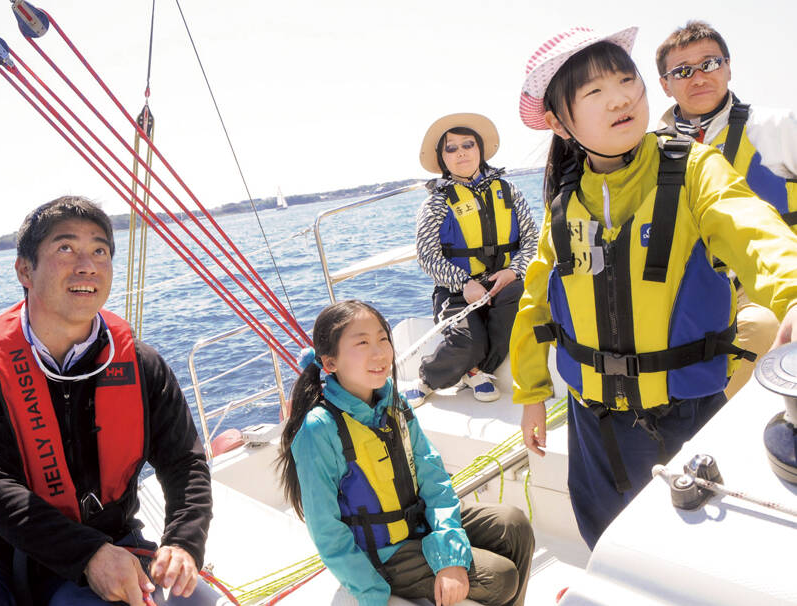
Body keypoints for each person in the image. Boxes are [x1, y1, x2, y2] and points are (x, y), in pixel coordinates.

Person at [511, 26, 797, 549]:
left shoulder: (695, 168)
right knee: (605, 536)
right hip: (592, 422)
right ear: (558, 121)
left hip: (686, 411)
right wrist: (531, 395)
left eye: (628, 80)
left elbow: (752, 228)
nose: (621, 97)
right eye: (594, 92)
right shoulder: (564, 204)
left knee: (697, 549)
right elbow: (535, 302)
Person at [0, 196, 213, 606]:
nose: (86, 264)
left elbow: (185, 462)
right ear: (24, 270)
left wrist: (182, 543)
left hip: (116, 546)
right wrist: (85, 554)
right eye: (65, 248)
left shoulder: (141, 364)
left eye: (100, 250)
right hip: (1, 558)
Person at [277, 300, 534, 606]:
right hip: (383, 553)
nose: (380, 353)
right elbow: (326, 531)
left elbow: (433, 475)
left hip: (418, 525)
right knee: (500, 577)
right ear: (330, 363)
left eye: (383, 339)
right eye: (362, 342)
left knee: (514, 524)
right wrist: (372, 594)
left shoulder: (393, 402)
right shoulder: (319, 429)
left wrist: (448, 554)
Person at [655, 20, 797, 399]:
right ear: (665, 85)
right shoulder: (650, 149)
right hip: (688, 287)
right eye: (683, 71)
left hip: (764, 281)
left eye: (710, 63)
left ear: (729, 67)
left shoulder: (778, 127)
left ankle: (713, 420)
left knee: (762, 326)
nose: (698, 77)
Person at [402, 113, 538, 405]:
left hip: (505, 285)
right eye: (451, 148)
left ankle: (476, 371)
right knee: (469, 342)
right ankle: (429, 377)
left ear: (480, 150)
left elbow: (531, 241)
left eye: (468, 144)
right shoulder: (436, 202)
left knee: (520, 317)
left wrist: (513, 271)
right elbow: (427, 256)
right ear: (442, 158)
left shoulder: (509, 192)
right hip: (456, 293)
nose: (461, 152)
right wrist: (464, 282)